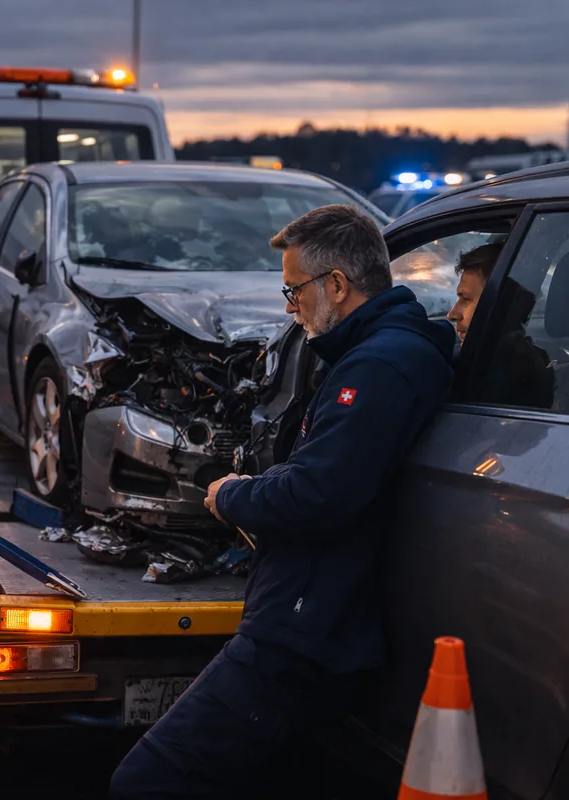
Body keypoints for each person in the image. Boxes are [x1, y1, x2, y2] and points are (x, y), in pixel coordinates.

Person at [110, 204, 456, 798]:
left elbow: (316, 494)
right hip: (314, 618)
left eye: (294, 291)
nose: (289, 306)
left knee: (147, 781)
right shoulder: (379, 353)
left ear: (338, 285)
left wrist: (233, 495)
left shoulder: (377, 366)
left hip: (303, 633)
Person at [447, 241, 554, 408]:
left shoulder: (502, 373)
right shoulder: (533, 359)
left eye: (466, 299)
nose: (452, 314)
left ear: (501, 305)